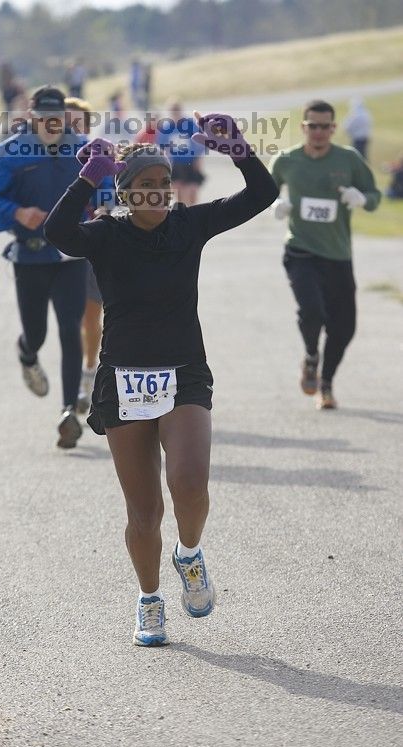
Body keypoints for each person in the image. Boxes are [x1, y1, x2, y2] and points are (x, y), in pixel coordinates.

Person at [44, 113, 279, 645]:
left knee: (190, 482)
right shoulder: (105, 234)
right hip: (123, 379)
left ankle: (189, 554)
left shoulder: (188, 225)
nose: (157, 191)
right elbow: (56, 233)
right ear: (125, 193)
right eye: (145, 184)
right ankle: (149, 600)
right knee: (144, 510)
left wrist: (237, 149)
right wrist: (87, 178)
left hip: (184, 373)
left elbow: (262, 195)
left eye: (164, 183)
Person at [0, 86, 90, 449]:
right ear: (32, 118)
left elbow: (108, 188)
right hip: (31, 257)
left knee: (70, 328)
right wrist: (17, 213)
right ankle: (27, 353)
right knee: (36, 333)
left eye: (57, 118)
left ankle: (68, 411)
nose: (51, 124)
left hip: (71, 257)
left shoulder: (84, 149)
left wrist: (103, 207)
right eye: (44, 118)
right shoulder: (8, 153)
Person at [270, 99, 381, 410]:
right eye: (312, 126)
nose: (318, 132)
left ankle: (326, 383)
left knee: (344, 327)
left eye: (325, 126)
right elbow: (262, 193)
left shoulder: (349, 159)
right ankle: (311, 356)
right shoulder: (286, 160)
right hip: (300, 251)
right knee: (312, 311)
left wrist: (361, 199)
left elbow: (374, 196)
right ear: (303, 127)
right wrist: (275, 205)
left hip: (338, 255)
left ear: (333, 128)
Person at [65, 96, 109, 414]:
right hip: (60, 248)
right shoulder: (50, 159)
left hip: (91, 244)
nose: (71, 128)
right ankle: (77, 377)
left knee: (91, 316)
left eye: (77, 123)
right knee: (73, 319)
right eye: (66, 123)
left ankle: (89, 370)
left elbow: (113, 192)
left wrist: (105, 209)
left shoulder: (99, 157)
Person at [157, 101, 205, 206]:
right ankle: (185, 212)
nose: (175, 114)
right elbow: (161, 148)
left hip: (190, 163)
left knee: (192, 195)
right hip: (175, 165)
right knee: (180, 194)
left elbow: (201, 142)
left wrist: (198, 159)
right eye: (173, 112)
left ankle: (191, 210)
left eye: (177, 111)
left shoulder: (190, 124)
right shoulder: (166, 128)